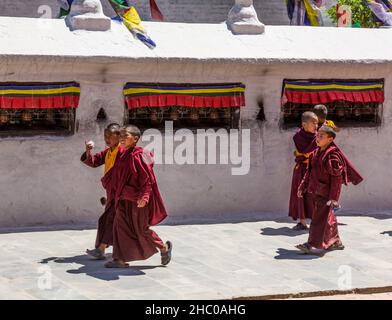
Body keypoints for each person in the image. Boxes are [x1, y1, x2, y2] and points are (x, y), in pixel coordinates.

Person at [105, 125, 172, 268]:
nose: (121, 138)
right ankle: (119, 259)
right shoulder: (121, 154)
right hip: (122, 198)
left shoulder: (141, 155)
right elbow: (116, 175)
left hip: (137, 200)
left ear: (135, 139)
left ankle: (163, 247)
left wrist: (145, 197)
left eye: (125, 136)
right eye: (121, 136)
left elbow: (147, 179)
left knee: (141, 230)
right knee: (119, 227)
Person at [296, 125, 363, 255]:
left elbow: (336, 179)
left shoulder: (332, 156)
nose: (318, 138)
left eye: (322, 136)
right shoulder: (315, 153)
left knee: (318, 219)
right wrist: (302, 186)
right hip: (316, 190)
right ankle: (336, 242)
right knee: (328, 217)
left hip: (326, 194)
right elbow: (309, 173)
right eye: (317, 135)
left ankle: (312, 244)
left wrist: (334, 198)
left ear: (330, 139)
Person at [81, 123, 122, 260]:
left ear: (119, 136)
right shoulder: (109, 151)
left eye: (109, 136)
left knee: (109, 219)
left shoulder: (122, 152)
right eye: (105, 136)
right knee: (110, 220)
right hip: (111, 192)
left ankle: (101, 248)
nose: (106, 139)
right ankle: (103, 249)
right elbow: (94, 161)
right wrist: (88, 152)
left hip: (121, 193)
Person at [288, 111, 318, 230]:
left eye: (317, 123)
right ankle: (302, 221)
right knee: (301, 195)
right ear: (304, 124)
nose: (316, 126)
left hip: (315, 169)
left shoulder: (319, 135)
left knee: (315, 195)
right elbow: (305, 151)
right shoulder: (298, 137)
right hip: (302, 169)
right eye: (313, 123)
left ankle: (317, 220)